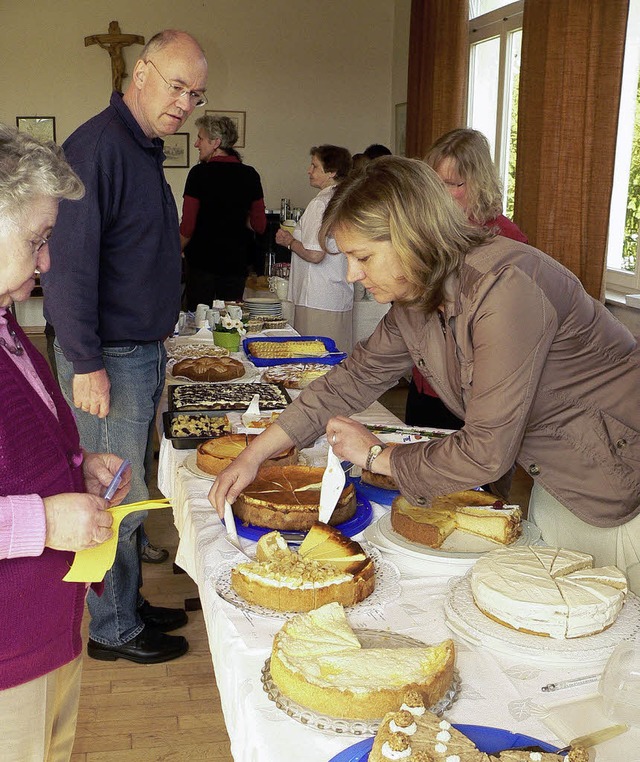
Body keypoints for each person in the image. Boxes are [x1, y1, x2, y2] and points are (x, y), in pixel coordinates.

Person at [210, 156, 640, 594]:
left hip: (621, 481)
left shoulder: (507, 287)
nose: (352, 275)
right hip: (559, 478)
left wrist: (378, 456)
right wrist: (254, 455)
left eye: (362, 257)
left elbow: (486, 451)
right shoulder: (416, 297)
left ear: (412, 239)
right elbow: (351, 380)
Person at [43, 29, 208, 664]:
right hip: (108, 356)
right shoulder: (97, 149)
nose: (185, 102)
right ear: (139, 73)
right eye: (176, 85)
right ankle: (112, 629)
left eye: (195, 93)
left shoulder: (139, 147)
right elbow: (69, 269)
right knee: (111, 496)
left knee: (133, 492)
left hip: (137, 351)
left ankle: (127, 602)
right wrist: (86, 364)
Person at [0, 123, 131, 761]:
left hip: (45, 627)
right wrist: (43, 519)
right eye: (37, 240)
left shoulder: (5, 322)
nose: (47, 261)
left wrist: (73, 469)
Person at [406, 127, 529, 430]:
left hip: (476, 389)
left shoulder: (506, 237)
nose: (441, 193)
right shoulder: (428, 229)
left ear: (478, 182)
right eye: (435, 183)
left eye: (452, 184)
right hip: (427, 379)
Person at [180, 114, 266, 309]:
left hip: (202, 264)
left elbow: (187, 226)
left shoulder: (198, 174)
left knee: (199, 321)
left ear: (216, 142)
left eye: (200, 138)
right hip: (236, 264)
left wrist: (174, 251)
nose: (196, 144)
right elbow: (259, 226)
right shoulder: (250, 175)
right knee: (230, 322)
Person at [275, 145, 354, 353]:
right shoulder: (345, 200)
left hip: (316, 296)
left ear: (332, 172)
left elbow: (314, 254)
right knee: (336, 356)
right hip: (339, 294)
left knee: (312, 359)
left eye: (314, 166)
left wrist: (289, 241)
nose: (309, 171)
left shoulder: (320, 204)